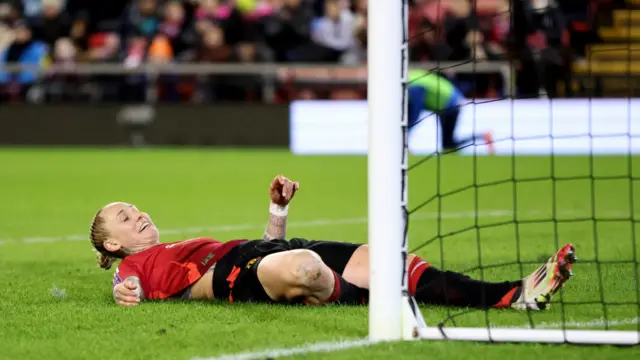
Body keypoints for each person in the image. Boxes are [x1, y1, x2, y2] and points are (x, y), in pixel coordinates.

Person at [92, 174, 575, 309]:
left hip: (258, 257)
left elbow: (266, 248)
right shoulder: (133, 268)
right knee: (304, 269)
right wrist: (123, 290)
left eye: (135, 208)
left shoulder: (184, 246)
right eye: (123, 216)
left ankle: (511, 294)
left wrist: (278, 211)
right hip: (236, 278)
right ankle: (360, 296)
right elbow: (123, 288)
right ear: (112, 245)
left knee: (387, 259)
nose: (138, 214)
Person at [408, 69, 495, 154]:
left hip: (450, 105)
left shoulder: (414, 86)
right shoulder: (413, 75)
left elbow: (415, 111)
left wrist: (406, 132)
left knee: (448, 146)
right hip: (449, 99)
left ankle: (482, 136)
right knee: (448, 144)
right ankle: (483, 136)